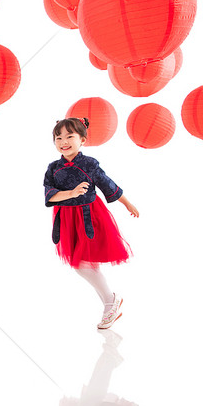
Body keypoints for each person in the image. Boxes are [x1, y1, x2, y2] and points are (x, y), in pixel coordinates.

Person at [43, 118, 138, 329]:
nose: (63, 141)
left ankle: (110, 302)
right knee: (81, 264)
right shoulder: (53, 168)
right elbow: (49, 194)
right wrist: (71, 193)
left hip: (89, 217)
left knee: (82, 264)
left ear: (82, 140)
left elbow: (108, 185)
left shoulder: (90, 164)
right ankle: (110, 302)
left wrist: (127, 203)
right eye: (58, 138)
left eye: (69, 136)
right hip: (66, 219)